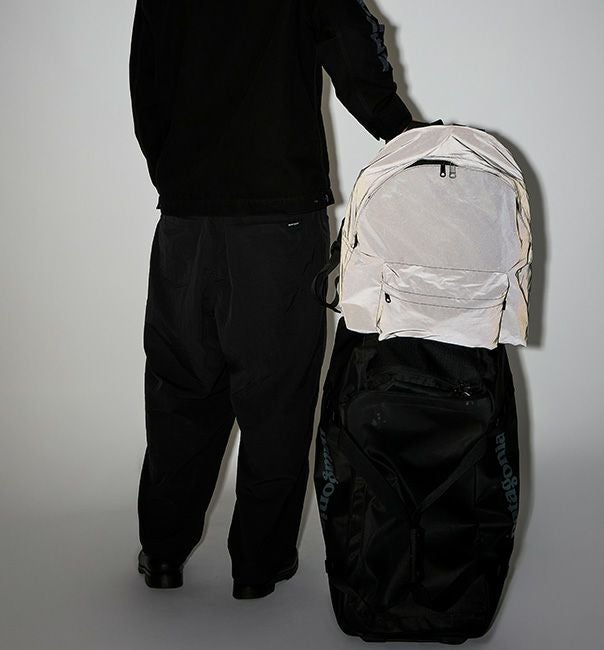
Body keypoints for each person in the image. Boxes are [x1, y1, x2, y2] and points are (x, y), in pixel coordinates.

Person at [128, 0, 425, 598]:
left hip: (187, 220)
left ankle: (162, 552)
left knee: (181, 388)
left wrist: (179, 179)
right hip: (279, 218)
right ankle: (259, 566)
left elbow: (146, 86)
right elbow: (352, 43)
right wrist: (405, 135)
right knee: (278, 397)